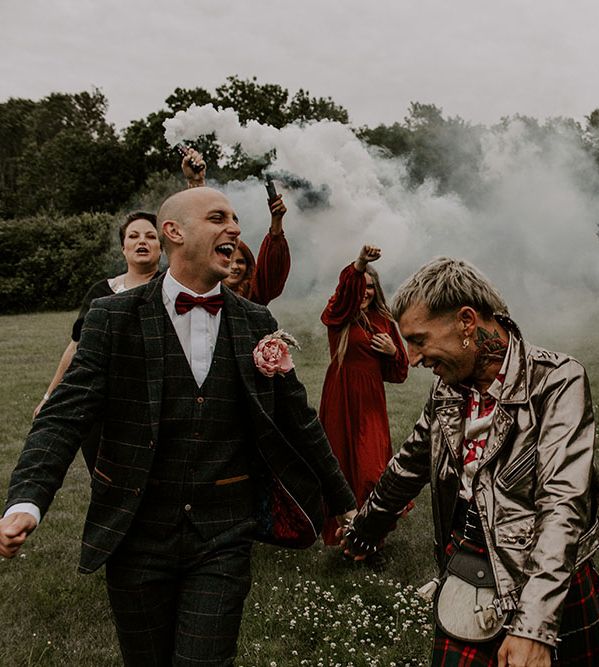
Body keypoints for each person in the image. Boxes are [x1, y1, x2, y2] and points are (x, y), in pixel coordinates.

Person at [0, 186, 356, 666]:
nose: (234, 227)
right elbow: (64, 415)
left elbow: (298, 419)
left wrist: (345, 504)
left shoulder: (256, 322)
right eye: (217, 217)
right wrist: (26, 501)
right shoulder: (113, 316)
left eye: (234, 217)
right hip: (135, 533)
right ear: (174, 232)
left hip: (223, 534)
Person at [341, 257, 599, 666]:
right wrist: (365, 528)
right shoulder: (447, 387)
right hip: (467, 559)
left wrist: (533, 625)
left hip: (542, 569)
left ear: (466, 321)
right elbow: (409, 463)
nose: (411, 358)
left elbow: (562, 503)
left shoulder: (556, 380)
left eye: (419, 340)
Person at [318, 245, 408, 557]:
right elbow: (344, 295)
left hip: (370, 404)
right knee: (342, 470)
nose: (366, 292)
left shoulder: (384, 321)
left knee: (372, 471)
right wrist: (358, 265)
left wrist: (393, 353)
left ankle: (372, 536)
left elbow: (399, 374)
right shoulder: (338, 316)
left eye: (371, 287)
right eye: (361, 286)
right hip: (341, 400)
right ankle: (349, 538)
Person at [33, 211, 162, 424]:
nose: (142, 241)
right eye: (133, 236)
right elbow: (76, 347)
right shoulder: (100, 292)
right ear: (123, 248)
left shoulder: (168, 289)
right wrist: (49, 397)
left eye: (150, 236)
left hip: (151, 405)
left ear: (162, 248)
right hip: (101, 405)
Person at [182, 146, 291, 306]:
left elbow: (272, 268)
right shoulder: (200, 291)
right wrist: (196, 183)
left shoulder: (254, 296)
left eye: (240, 262)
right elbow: (200, 234)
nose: (234, 267)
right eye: (228, 258)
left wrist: (276, 221)